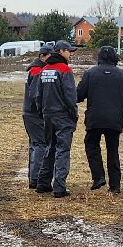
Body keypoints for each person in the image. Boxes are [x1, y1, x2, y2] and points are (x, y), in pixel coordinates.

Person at [76, 44, 123, 193]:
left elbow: (78, 96)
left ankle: (98, 177)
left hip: (94, 119)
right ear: (114, 58)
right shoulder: (122, 75)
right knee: (113, 151)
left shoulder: (90, 74)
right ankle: (115, 186)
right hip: (114, 120)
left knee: (91, 145)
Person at [30, 41, 78, 198]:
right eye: (69, 51)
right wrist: (74, 113)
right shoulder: (65, 70)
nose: (71, 54)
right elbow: (70, 95)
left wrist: (42, 112)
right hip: (63, 116)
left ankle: (43, 183)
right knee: (63, 150)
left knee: (50, 147)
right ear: (61, 51)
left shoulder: (44, 70)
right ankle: (59, 187)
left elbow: (38, 95)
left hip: (48, 115)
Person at [22, 41, 54, 189]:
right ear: (42, 56)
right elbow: (35, 94)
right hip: (33, 114)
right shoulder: (36, 71)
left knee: (34, 145)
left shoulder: (35, 69)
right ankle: (36, 178)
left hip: (29, 113)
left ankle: (32, 178)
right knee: (40, 144)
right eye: (49, 56)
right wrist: (42, 110)